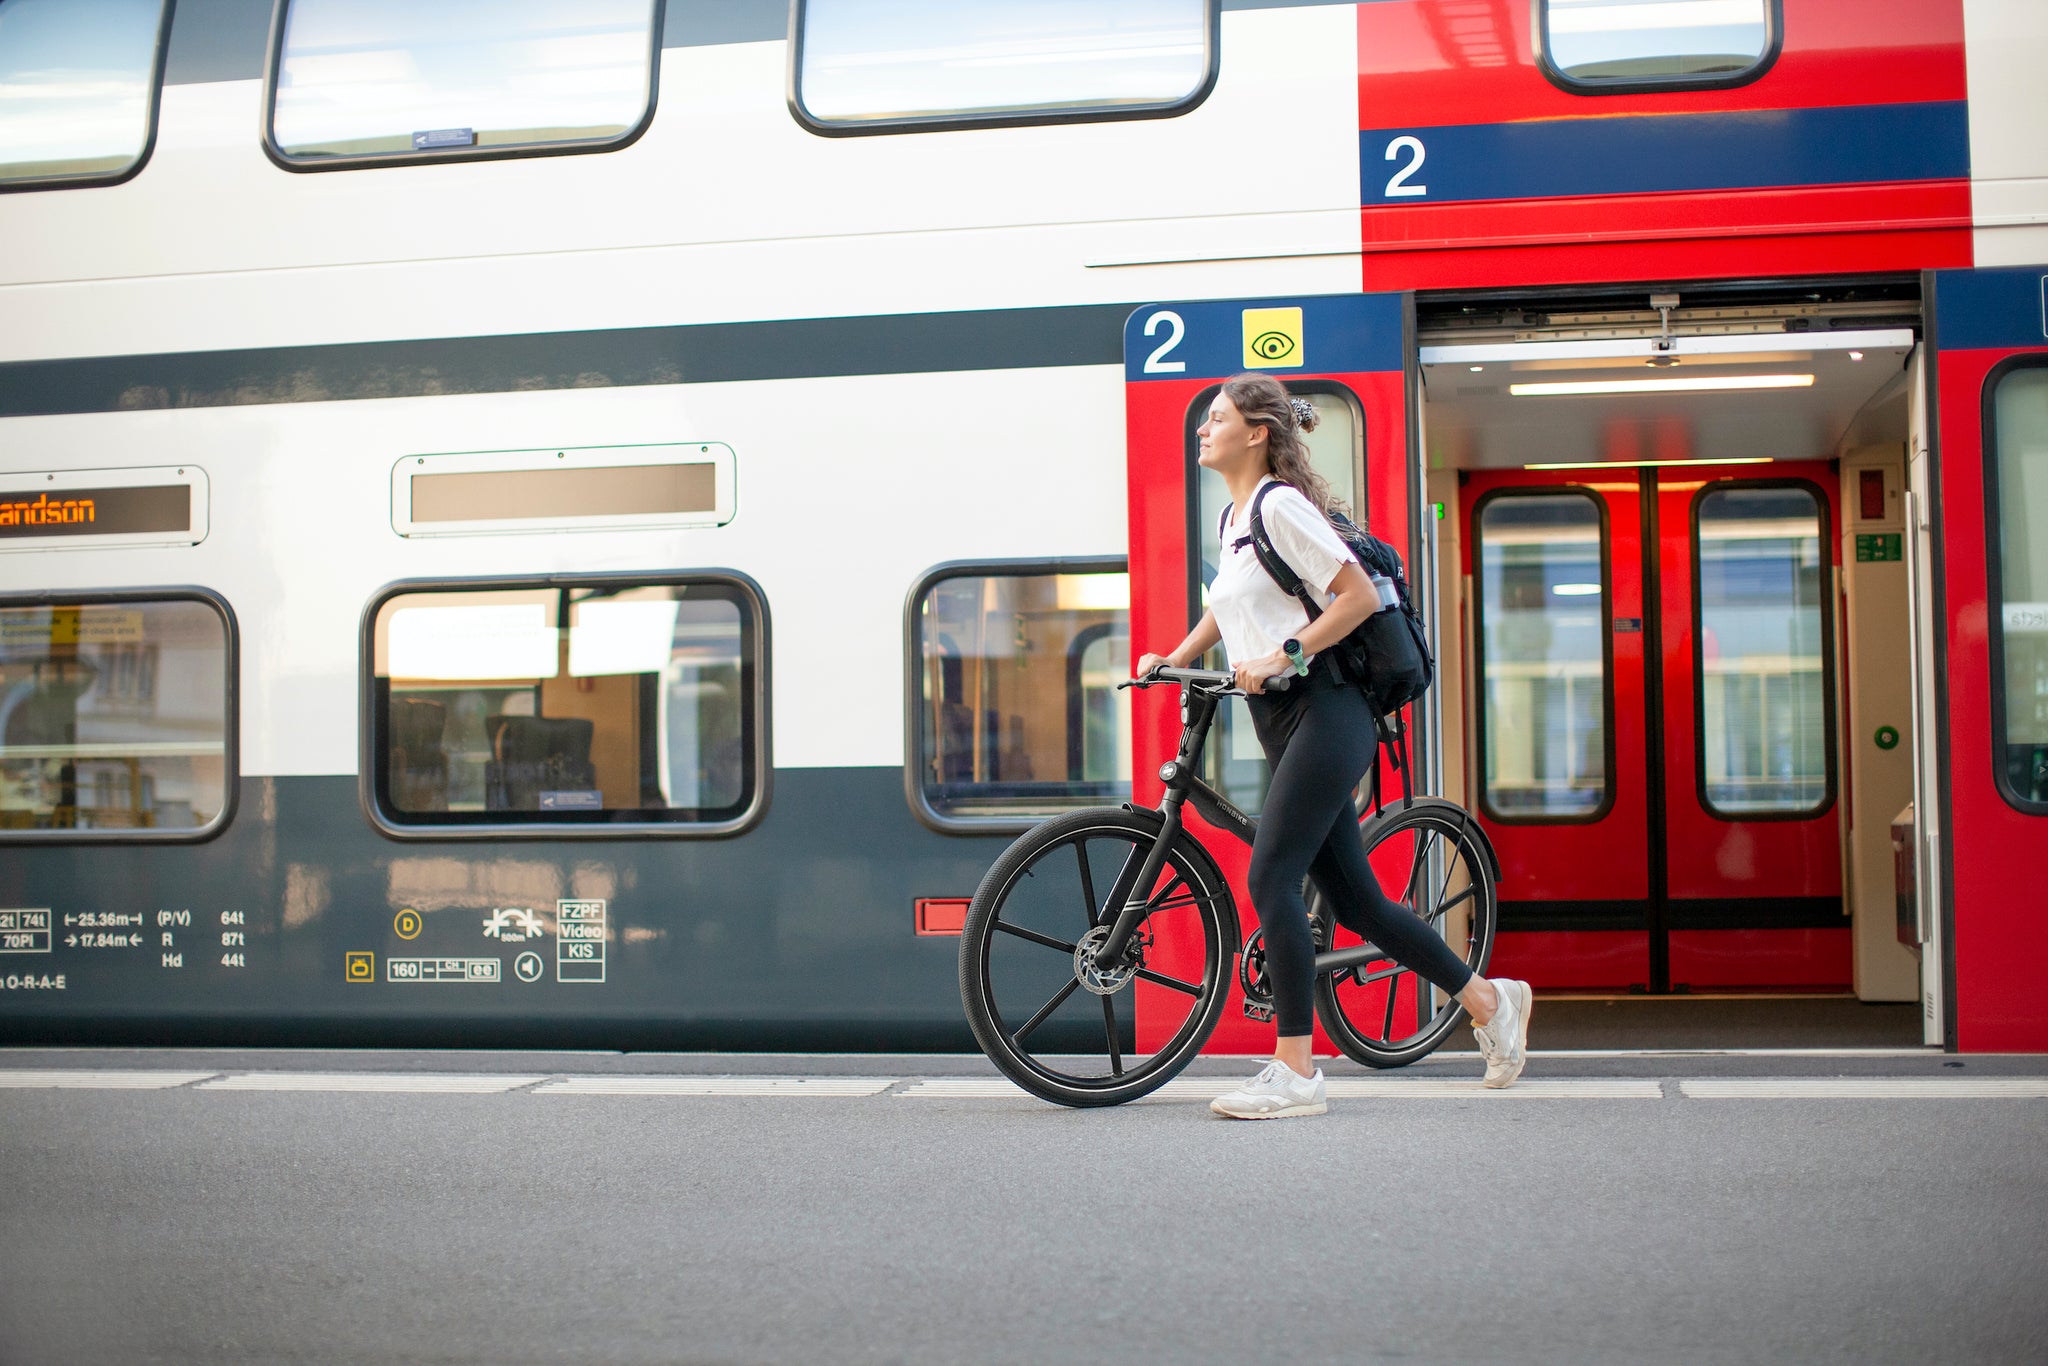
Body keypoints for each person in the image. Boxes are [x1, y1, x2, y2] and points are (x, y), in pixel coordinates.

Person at [1135, 373, 1532, 1119]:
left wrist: (1286, 653)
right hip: (1281, 718)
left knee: (1271, 877)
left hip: (1330, 708)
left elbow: (1355, 598)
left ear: (1257, 433)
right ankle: (1490, 1002)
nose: (1202, 429)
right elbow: (1228, 606)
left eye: (1215, 419)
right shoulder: (1235, 517)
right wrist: (1173, 652)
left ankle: (1296, 1071)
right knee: (1359, 903)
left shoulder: (1282, 507)